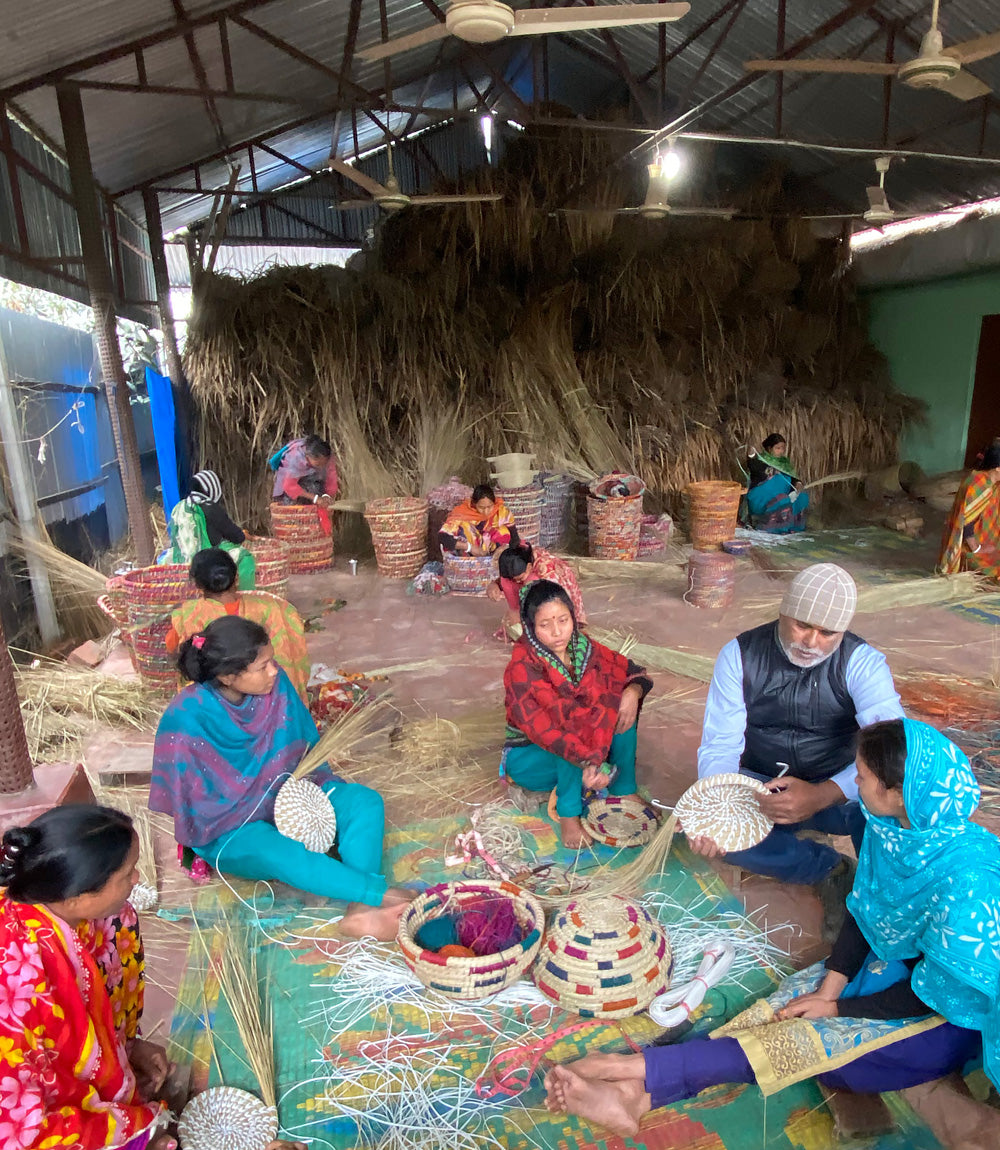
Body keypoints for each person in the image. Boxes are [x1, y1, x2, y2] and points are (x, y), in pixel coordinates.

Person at [543, 720, 1000, 1148]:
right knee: (782, 1009)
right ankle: (639, 1099)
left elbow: (940, 993)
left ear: (900, 792)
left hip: (944, 1016)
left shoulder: (969, 879)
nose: (854, 785)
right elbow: (865, 913)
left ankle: (628, 1068)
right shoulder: (894, 828)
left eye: (861, 777)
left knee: (802, 1042)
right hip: (892, 969)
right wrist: (831, 985)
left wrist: (838, 1007)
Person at [149, 615, 410, 941]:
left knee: (364, 802)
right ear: (228, 677)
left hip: (290, 793)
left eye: (271, 661)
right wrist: (254, 805)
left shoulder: (276, 685)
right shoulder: (186, 718)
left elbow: (304, 753)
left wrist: (304, 795)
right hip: (230, 828)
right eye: (262, 667)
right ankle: (378, 895)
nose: (274, 671)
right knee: (276, 851)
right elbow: (196, 809)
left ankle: (361, 907)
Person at [689, 563, 904, 935]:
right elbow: (720, 745)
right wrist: (714, 811)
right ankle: (829, 870)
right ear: (783, 611)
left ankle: (875, 895)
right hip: (762, 786)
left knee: (890, 810)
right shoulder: (739, 655)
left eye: (828, 633)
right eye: (802, 625)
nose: (811, 642)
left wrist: (824, 793)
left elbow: (890, 751)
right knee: (716, 837)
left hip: (839, 788)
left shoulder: (862, 664)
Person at [0, 804, 173, 1150]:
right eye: (127, 874)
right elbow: (21, 1131)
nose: (137, 879)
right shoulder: (18, 985)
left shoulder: (106, 918)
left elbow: (101, 1004)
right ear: (78, 897)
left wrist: (129, 1045)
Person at [501, 580, 652, 849]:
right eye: (545, 625)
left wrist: (632, 692)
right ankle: (569, 815)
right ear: (530, 627)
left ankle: (624, 787)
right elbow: (550, 732)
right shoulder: (522, 668)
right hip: (532, 758)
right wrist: (590, 762)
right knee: (568, 738)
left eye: (563, 620)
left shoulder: (584, 648)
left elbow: (629, 670)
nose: (557, 632)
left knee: (620, 706)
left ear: (573, 617)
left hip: (585, 752)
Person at [166, 548, 310, 702]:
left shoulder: (188, 616)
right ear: (236, 577)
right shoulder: (271, 607)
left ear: (198, 584)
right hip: (271, 698)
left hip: (217, 705)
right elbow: (294, 646)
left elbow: (173, 648)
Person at [164, 469, 256, 590]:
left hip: (180, 558)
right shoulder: (209, 507)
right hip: (205, 557)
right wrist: (243, 535)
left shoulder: (181, 507)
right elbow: (235, 536)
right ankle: (246, 596)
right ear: (212, 488)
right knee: (245, 558)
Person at [488, 542, 587, 636]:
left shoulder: (548, 575)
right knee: (509, 583)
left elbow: (553, 606)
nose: (517, 582)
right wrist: (495, 585)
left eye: (520, 579)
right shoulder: (519, 563)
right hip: (532, 586)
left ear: (530, 567)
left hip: (551, 597)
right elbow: (509, 579)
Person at [939, 441, 1000, 582]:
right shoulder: (979, 484)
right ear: (997, 468)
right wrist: (977, 549)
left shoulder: (992, 483)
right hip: (967, 545)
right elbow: (965, 522)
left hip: (985, 539)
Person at [271, 435, 339, 534]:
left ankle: (320, 533)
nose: (321, 467)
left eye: (323, 464)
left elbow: (331, 478)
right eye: (318, 464)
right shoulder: (296, 457)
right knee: (296, 515)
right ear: (308, 457)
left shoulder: (328, 458)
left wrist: (326, 496)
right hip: (292, 488)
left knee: (320, 507)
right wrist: (315, 498)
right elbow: (289, 485)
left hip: (315, 484)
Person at [744, 433, 809, 534]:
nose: (781, 451)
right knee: (782, 499)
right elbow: (752, 465)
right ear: (769, 448)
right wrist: (751, 455)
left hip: (782, 496)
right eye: (777, 448)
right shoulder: (760, 460)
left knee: (802, 497)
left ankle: (791, 527)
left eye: (783, 448)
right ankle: (772, 527)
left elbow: (792, 479)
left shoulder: (785, 463)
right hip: (762, 499)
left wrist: (798, 483)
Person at [439, 484, 517, 556]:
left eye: (489, 507)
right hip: (470, 556)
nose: (486, 512)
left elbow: (515, 538)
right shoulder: (462, 515)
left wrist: (504, 548)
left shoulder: (502, 512)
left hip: (495, 557)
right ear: (474, 504)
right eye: (482, 508)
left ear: (494, 502)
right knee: (465, 528)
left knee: (503, 530)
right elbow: (443, 537)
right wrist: (470, 547)